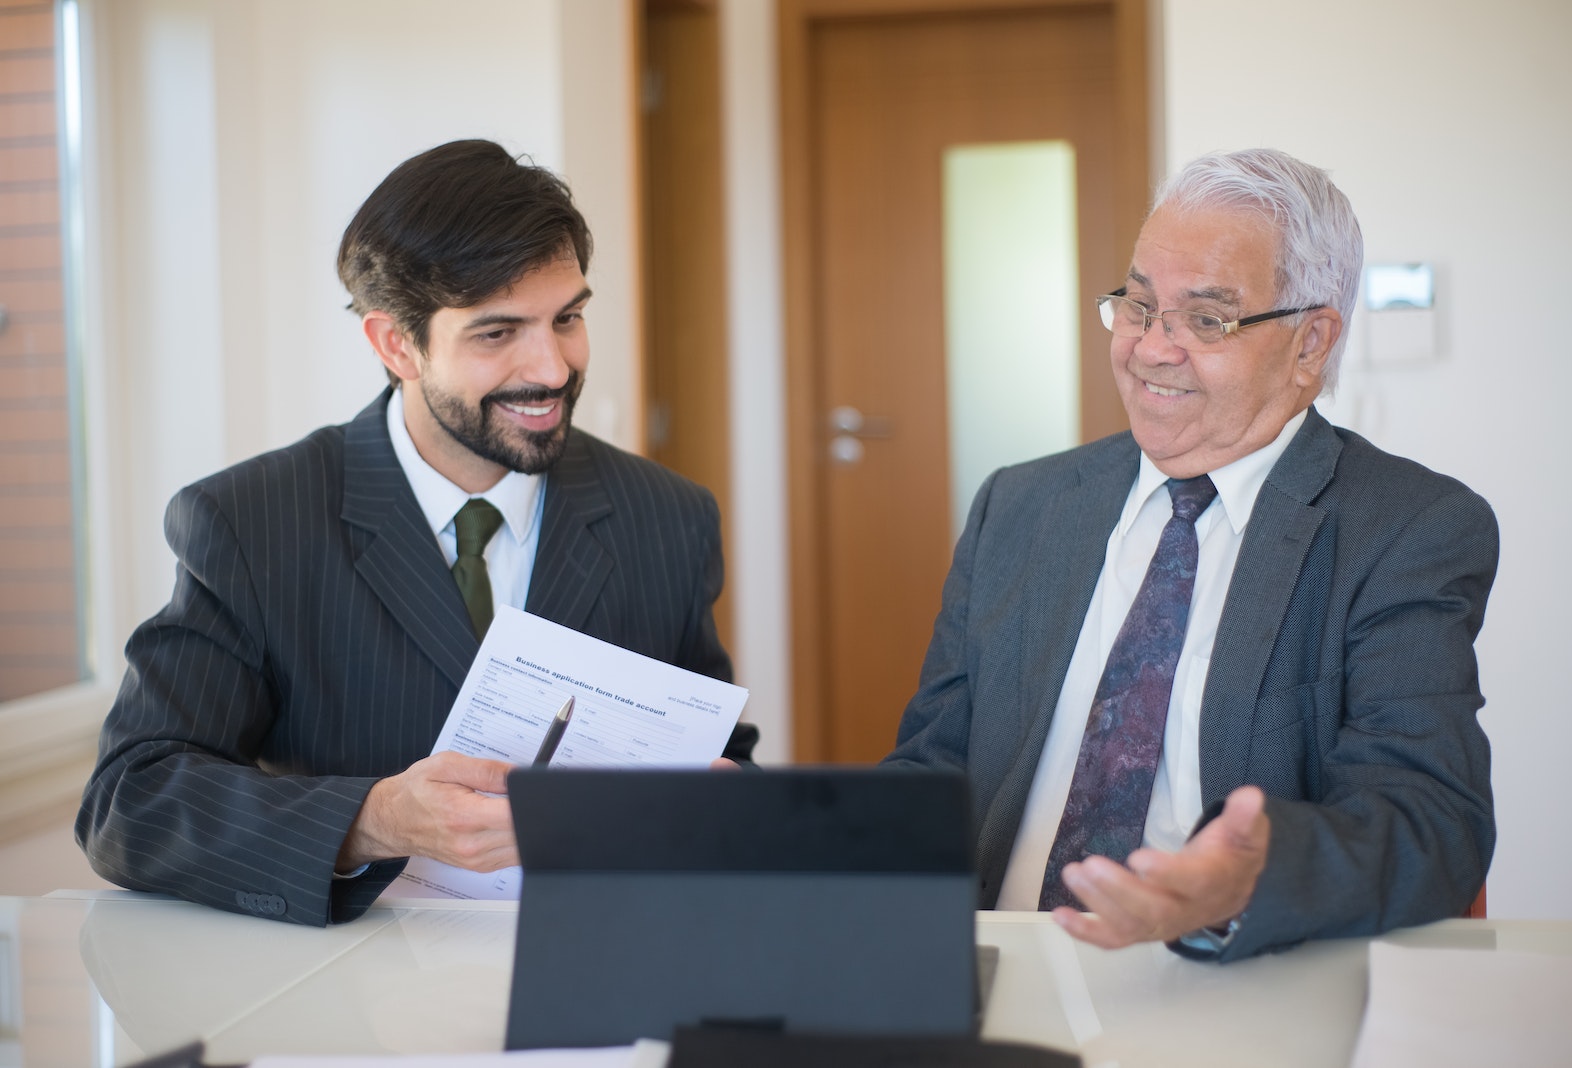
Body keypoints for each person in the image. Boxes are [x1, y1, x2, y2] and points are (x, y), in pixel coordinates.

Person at [76, 139, 756, 925]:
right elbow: (129, 802)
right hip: (349, 1007)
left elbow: (719, 753)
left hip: (596, 970)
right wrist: (373, 821)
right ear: (396, 344)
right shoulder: (251, 522)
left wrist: (727, 801)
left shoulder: (668, 517)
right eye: (498, 333)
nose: (555, 367)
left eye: (567, 318)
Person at [884, 148, 1496, 962]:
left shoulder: (1406, 529)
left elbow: (1427, 818)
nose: (1151, 349)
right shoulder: (1021, 507)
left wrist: (1246, 882)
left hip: (1231, 975)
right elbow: (934, 769)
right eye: (1138, 306)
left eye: (1206, 320)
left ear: (1311, 343)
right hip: (999, 967)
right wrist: (777, 831)